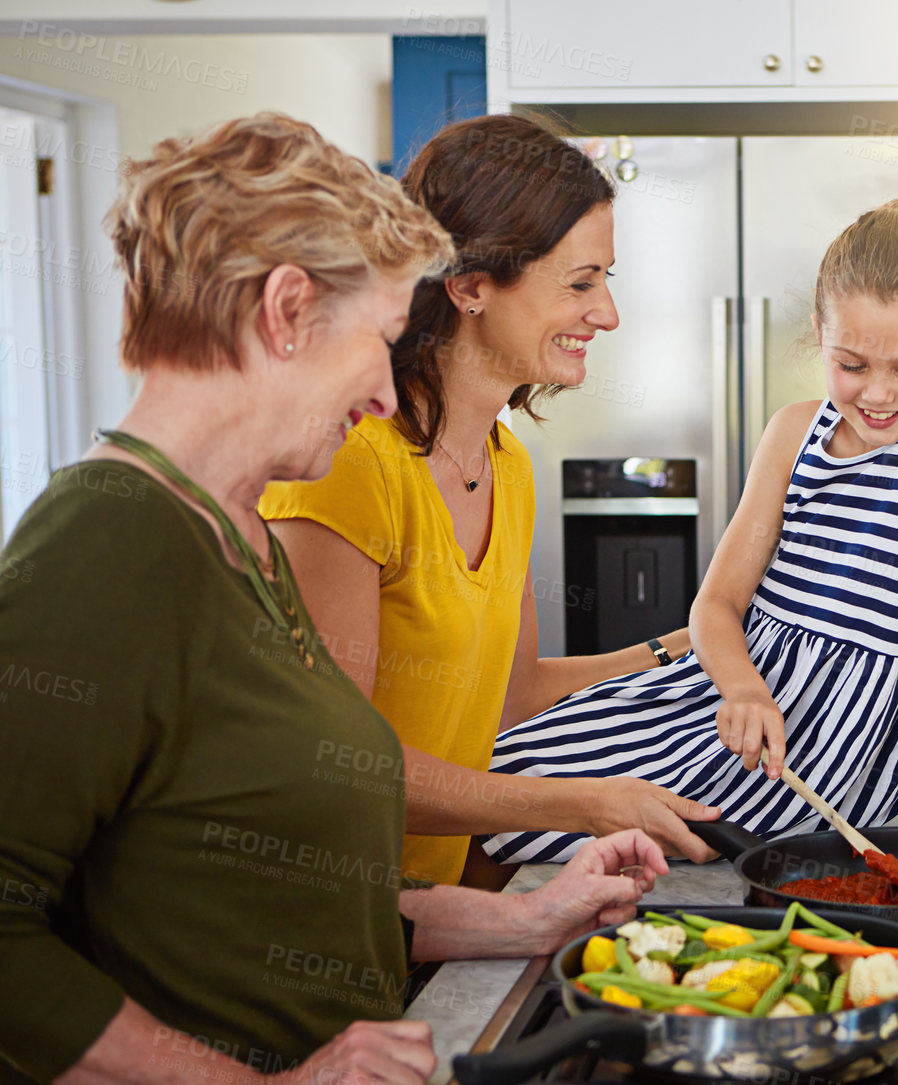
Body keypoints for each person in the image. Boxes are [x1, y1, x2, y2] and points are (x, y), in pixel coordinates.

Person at [0, 113, 667, 1085]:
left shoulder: (240, 544)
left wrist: (526, 918)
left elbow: (295, 870)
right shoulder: (107, 539)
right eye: (377, 338)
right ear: (286, 310)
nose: (378, 386)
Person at [260, 114, 721, 890]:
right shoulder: (346, 463)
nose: (606, 313)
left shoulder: (506, 466)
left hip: (422, 918)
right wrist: (581, 806)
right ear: (470, 285)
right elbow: (335, 761)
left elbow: (510, 699)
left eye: (606, 280)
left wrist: (686, 651)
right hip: (305, 926)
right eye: (579, 283)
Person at [483, 196, 898, 864]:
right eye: (850, 365)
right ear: (819, 332)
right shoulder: (793, 431)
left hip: (825, 745)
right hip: (728, 701)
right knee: (506, 777)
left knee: (568, 823)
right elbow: (718, 604)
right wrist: (741, 688)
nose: (876, 395)